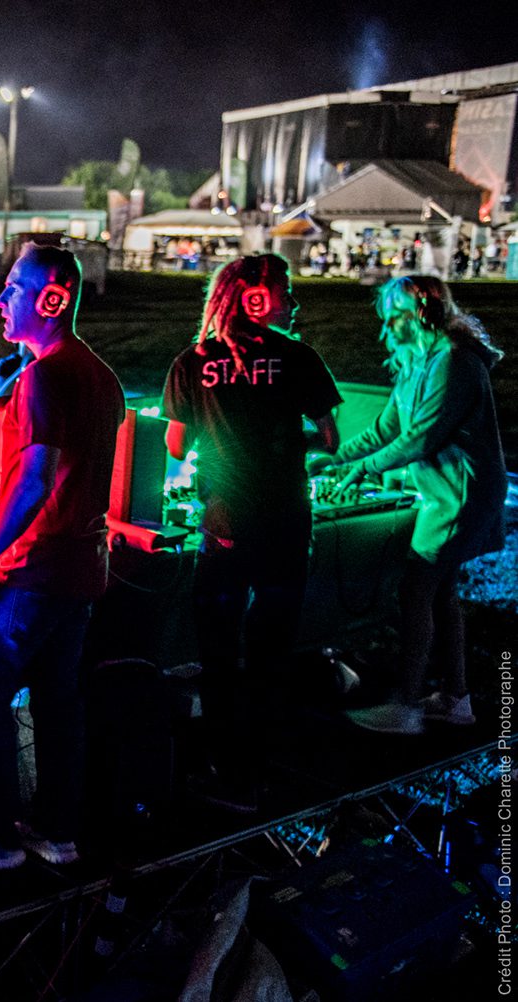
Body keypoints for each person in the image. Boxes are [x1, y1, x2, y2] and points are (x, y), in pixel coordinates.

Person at [0, 243, 123, 871]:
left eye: (13, 288)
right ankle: (55, 832)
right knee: (58, 706)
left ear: (52, 299)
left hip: (31, 573)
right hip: (81, 571)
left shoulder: (44, 375)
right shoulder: (101, 374)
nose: (1, 300)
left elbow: (37, 481)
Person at [162, 253, 341, 813]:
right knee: (272, 648)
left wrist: (221, 437)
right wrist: (283, 442)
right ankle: (264, 770)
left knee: (218, 652)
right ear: (256, 297)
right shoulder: (299, 357)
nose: (293, 301)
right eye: (286, 290)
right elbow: (329, 439)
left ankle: (227, 774)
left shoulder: (193, 361)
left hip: (226, 525)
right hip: (287, 521)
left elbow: (175, 445)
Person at [333, 276, 506, 734]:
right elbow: (386, 428)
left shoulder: (453, 360)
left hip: (459, 495)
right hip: (444, 491)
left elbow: (420, 439)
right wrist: (335, 457)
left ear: (422, 315)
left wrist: (364, 468)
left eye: (395, 316)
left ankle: (406, 706)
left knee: (416, 590)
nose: (386, 326)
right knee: (442, 594)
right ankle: (455, 698)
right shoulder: (417, 361)